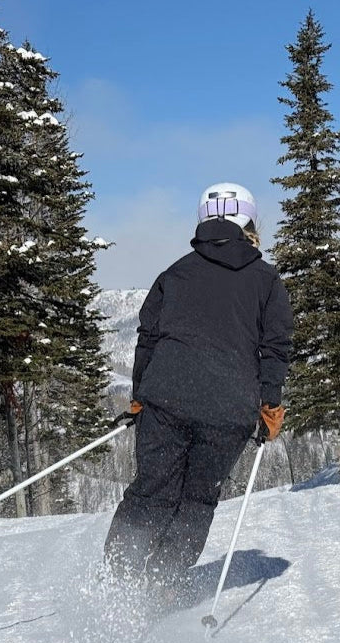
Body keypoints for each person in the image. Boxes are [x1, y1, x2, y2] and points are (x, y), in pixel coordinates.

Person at [102, 182, 293, 601]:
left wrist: (140, 394)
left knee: (152, 490)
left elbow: (148, 337)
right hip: (228, 411)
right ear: (249, 221)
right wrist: (270, 403)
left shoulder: (175, 273)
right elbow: (275, 345)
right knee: (196, 500)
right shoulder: (266, 279)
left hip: (167, 399)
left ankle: (117, 581)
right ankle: (161, 585)